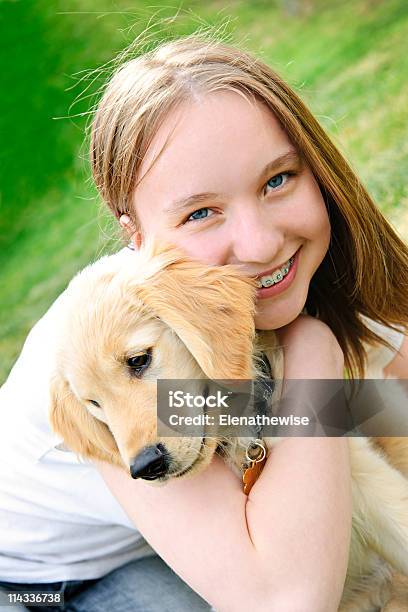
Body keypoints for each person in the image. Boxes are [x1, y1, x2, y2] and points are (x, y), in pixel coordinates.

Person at [0, 33, 407, 612]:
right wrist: (312, 348)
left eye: (277, 180)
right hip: (39, 587)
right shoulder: (92, 375)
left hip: (169, 536)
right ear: (137, 238)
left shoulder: (221, 293)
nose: (262, 243)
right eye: (200, 212)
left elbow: (381, 402)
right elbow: (286, 600)